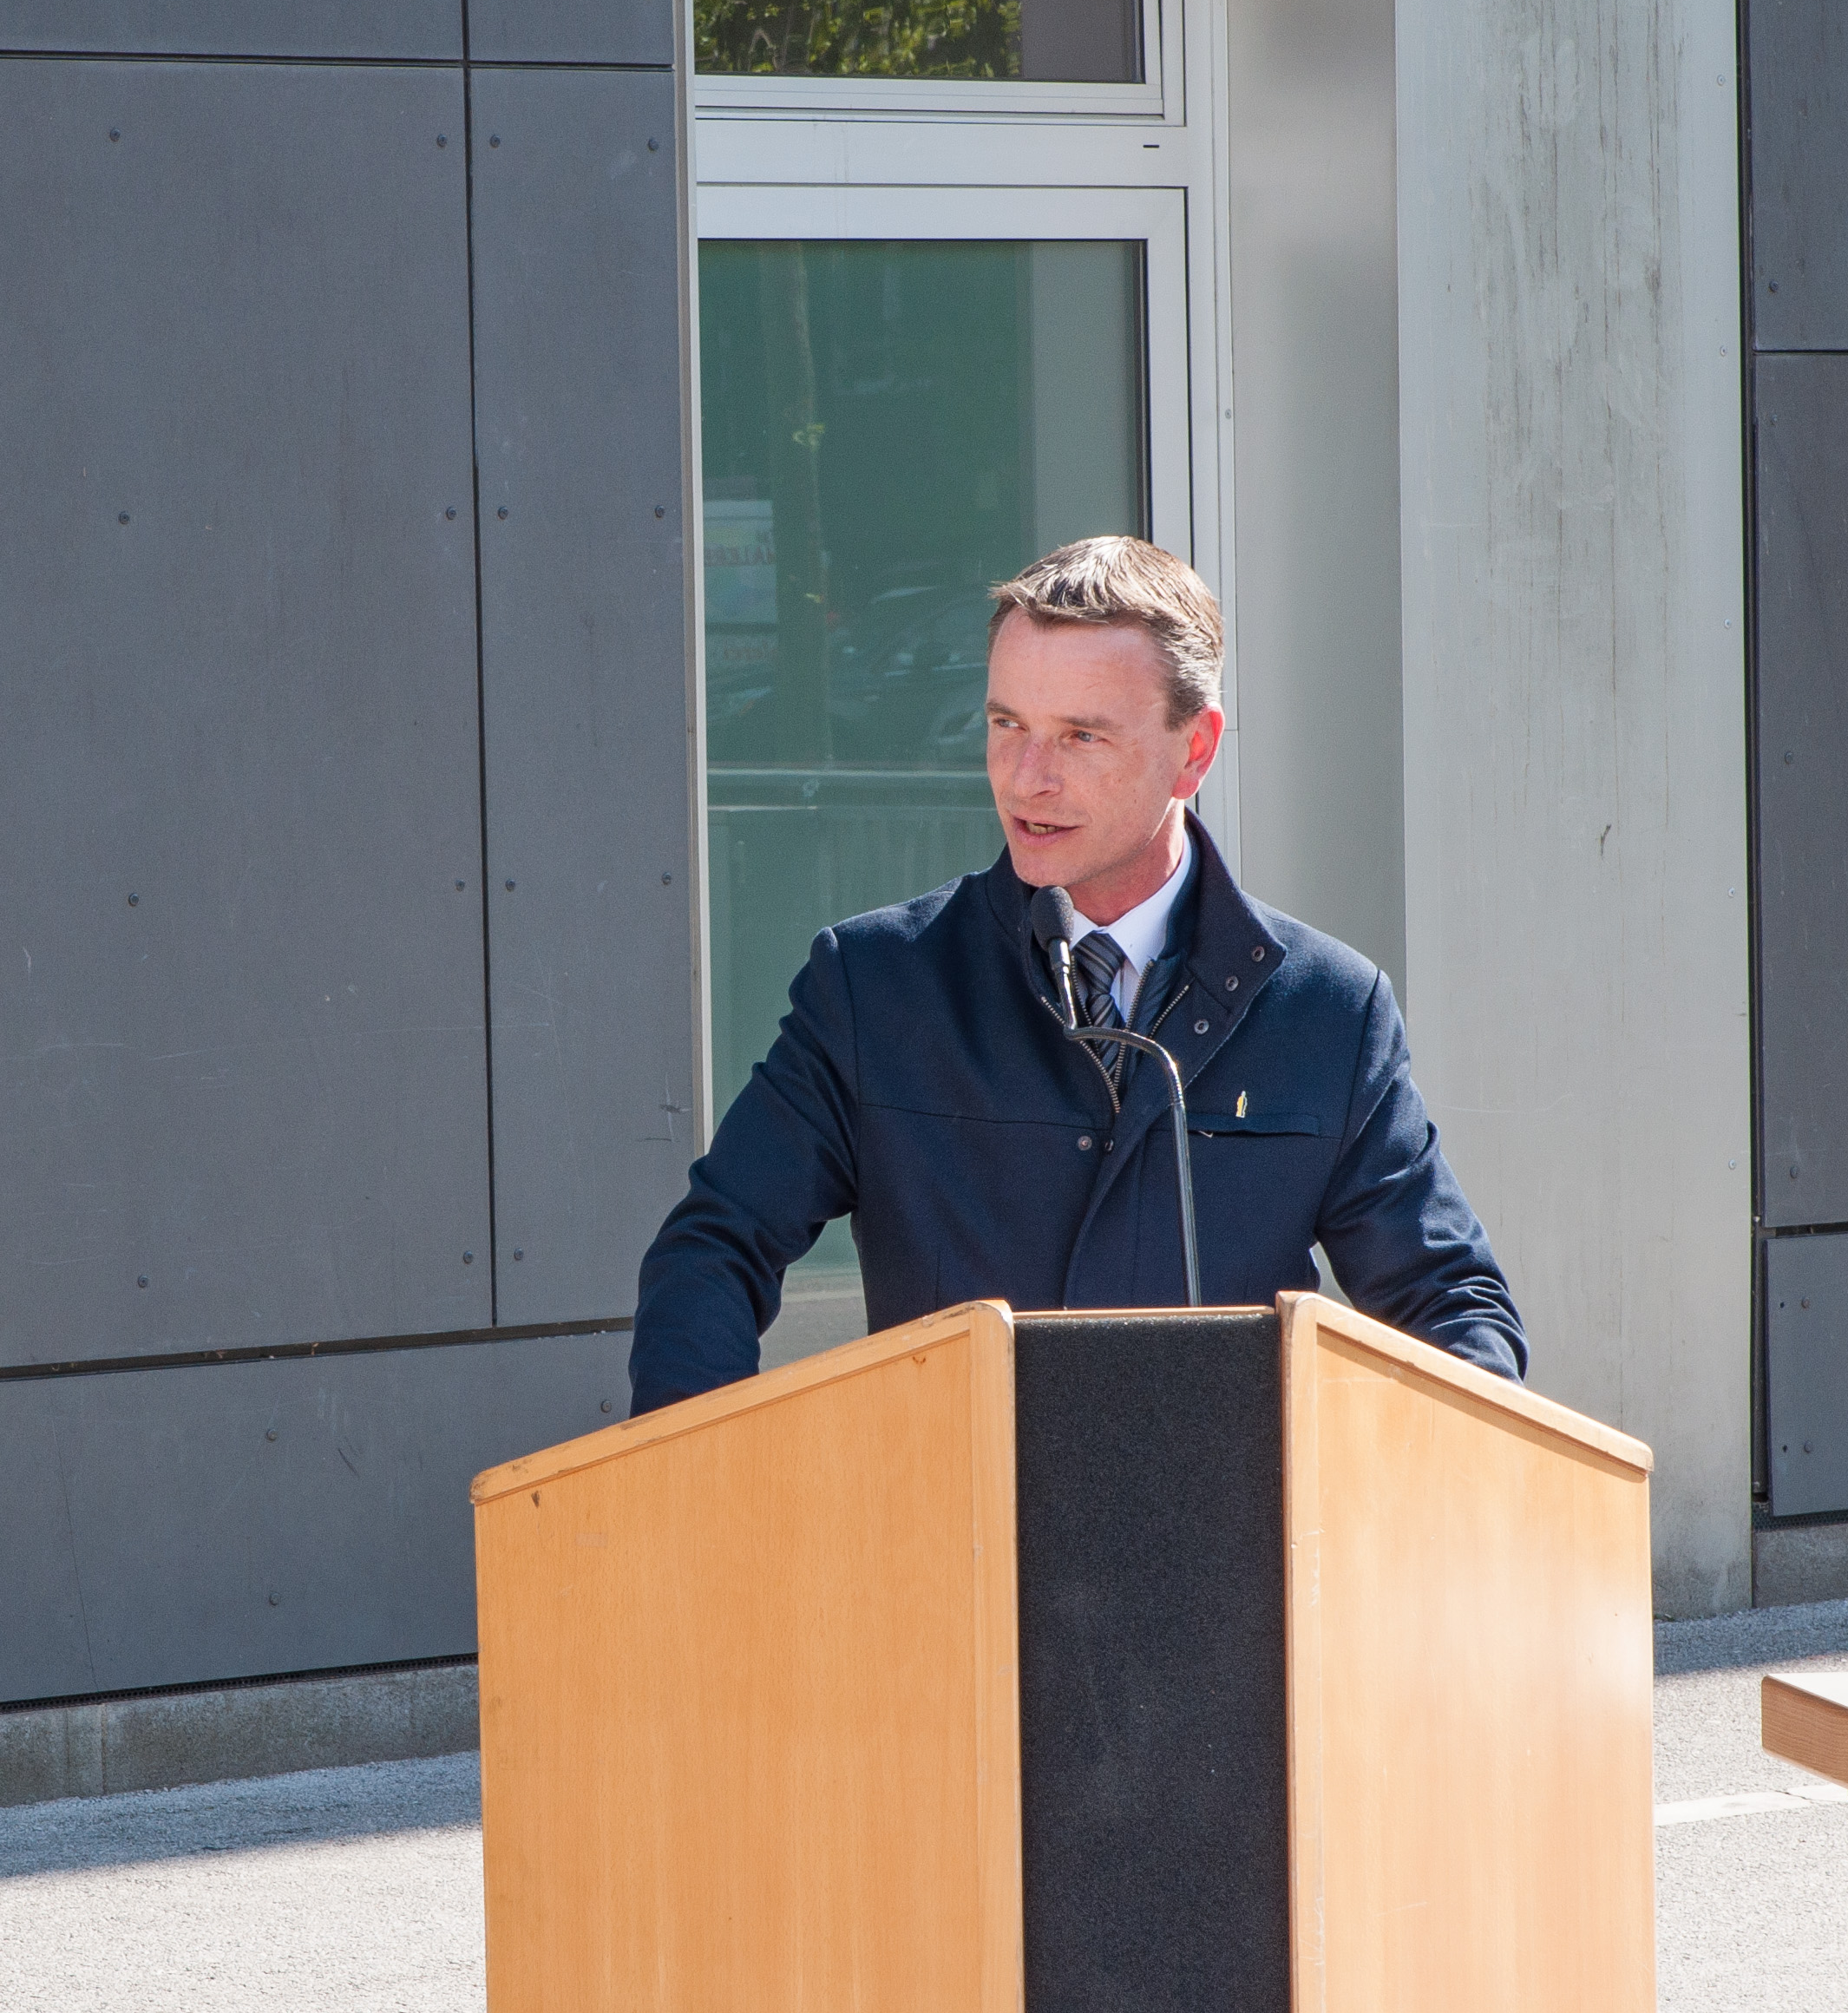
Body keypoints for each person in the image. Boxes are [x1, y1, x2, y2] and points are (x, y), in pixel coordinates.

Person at [630, 534, 1519, 1413]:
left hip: (1224, 1549)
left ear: (1194, 751)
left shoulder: (1329, 1011)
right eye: (1006, 723)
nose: (1026, 778)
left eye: (1080, 736)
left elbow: (1451, 1307)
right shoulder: (874, 985)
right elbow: (715, 1248)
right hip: (950, 1540)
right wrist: (687, 1482)